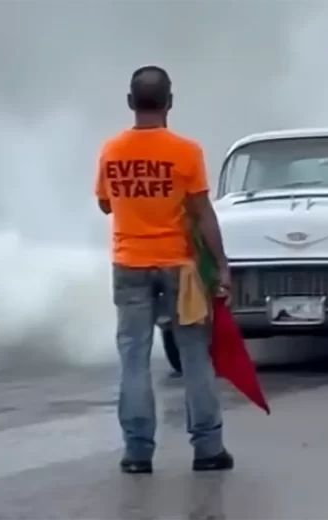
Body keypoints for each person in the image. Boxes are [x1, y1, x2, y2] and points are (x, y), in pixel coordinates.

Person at [95, 65, 234, 474]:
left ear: (130, 102)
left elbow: (105, 204)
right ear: (170, 103)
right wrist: (222, 266)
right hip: (181, 268)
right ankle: (208, 449)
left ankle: (138, 453)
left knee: (134, 358)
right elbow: (202, 213)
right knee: (194, 355)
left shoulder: (112, 151)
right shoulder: (187, 152)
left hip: (129, 265)